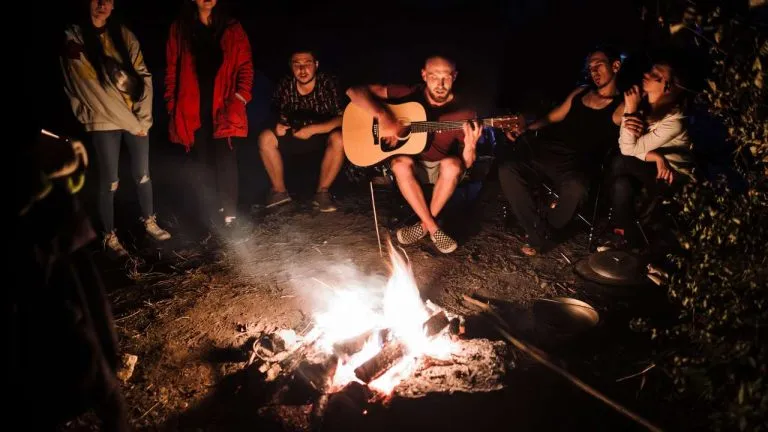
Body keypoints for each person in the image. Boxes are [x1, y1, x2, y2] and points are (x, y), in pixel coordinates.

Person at [61, 0, 171, 259]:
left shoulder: (123, 35)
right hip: (103, 119)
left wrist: (144, 119)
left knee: (143, 174)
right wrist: (134, 124)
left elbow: (143, 75)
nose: (102, 4)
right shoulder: (74, 39)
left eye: (108, 0)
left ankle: (149, 221)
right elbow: (93, 90)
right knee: (110, 181)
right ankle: (109, 235)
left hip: (136, 119)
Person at [347, 55, 483, 254]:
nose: (440, 85)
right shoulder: (408, 94)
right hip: (411, 166)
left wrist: (470, 145)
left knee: (453, 165)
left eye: (446, 77)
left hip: (441, 169)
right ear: (424, 75)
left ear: (454, 76)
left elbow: (467, 164)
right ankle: (433, 228)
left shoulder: (465, 112)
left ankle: (423, 226)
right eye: (434, 77)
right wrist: (384, 117)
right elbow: (354, 91)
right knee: (400, 163)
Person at [497, 46, 625, 256]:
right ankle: (539, 231)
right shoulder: (580, 93)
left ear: (616, 66)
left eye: (599, 65)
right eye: (590, 67)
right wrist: (526, 129)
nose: (593, 71)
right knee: (508, 169)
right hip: (548, 152)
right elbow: (552, 117)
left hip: (576, 165)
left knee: (577, 188)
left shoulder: (621, 106)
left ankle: (540, 233)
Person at [165, 0, 253, 228]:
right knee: (202, 159)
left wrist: (240, 97)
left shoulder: (232, 27)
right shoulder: (180, 28)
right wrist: (172, 105)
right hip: (193, 106)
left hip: (225, 104)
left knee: (226, 157)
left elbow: (245, 65)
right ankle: (211, 213)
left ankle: (230, 216)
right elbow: (172, 68)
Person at [603, 59, 695, 249]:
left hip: (671, 177)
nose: (646, 75)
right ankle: (627, 236)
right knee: (622, 184)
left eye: (655, 75)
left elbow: (627, 149)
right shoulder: (645, 105)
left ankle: (621, 232)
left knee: (619, 162)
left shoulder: (674, 121)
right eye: (650, 70)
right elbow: (627, 145)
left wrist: (630, 109)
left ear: (668, 87)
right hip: (649, 166)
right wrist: (656, 156)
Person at [258, 49, 345, 212]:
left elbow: (343, 117)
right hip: (294, 133)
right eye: (297, 64)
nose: (302, 70)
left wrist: (314, 129)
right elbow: (274, 112)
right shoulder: (285, 84)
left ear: (316, 65)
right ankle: (279, 192)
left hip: (321, 135)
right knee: (265, 137)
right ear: (291, 66)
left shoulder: (328, 83)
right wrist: (277, 125)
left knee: (339, 138)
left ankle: (322, 193)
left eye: (307, 64)